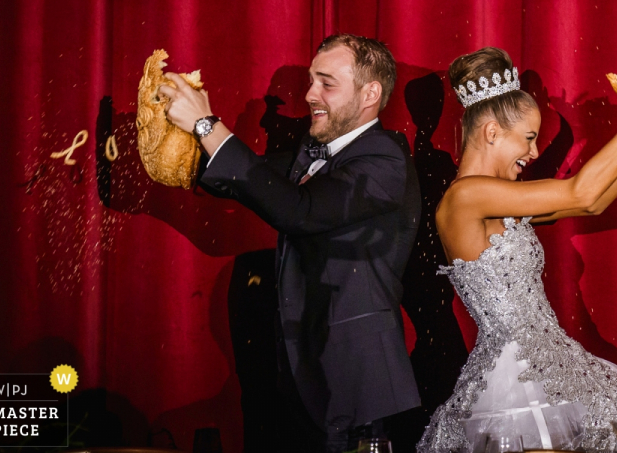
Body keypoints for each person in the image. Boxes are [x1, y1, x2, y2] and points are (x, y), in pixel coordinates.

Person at [417, 47, 617, 453]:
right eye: (530, 138)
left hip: (550, 365)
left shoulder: (498, 199)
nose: (535, 153)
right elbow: (582, 191)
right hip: (515, 379)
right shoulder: (465, 197)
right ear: (491, 133)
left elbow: (594, 201)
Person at [160, 34, 421, 453]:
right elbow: (252, 180)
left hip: (353, 387)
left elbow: (297, 211)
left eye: (326, 83)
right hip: (302, 380)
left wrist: (207, 124)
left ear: (371, 93)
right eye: (310, 81)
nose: (309, 94)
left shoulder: (384, 159)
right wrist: (173, 139)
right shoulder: (314, 150)